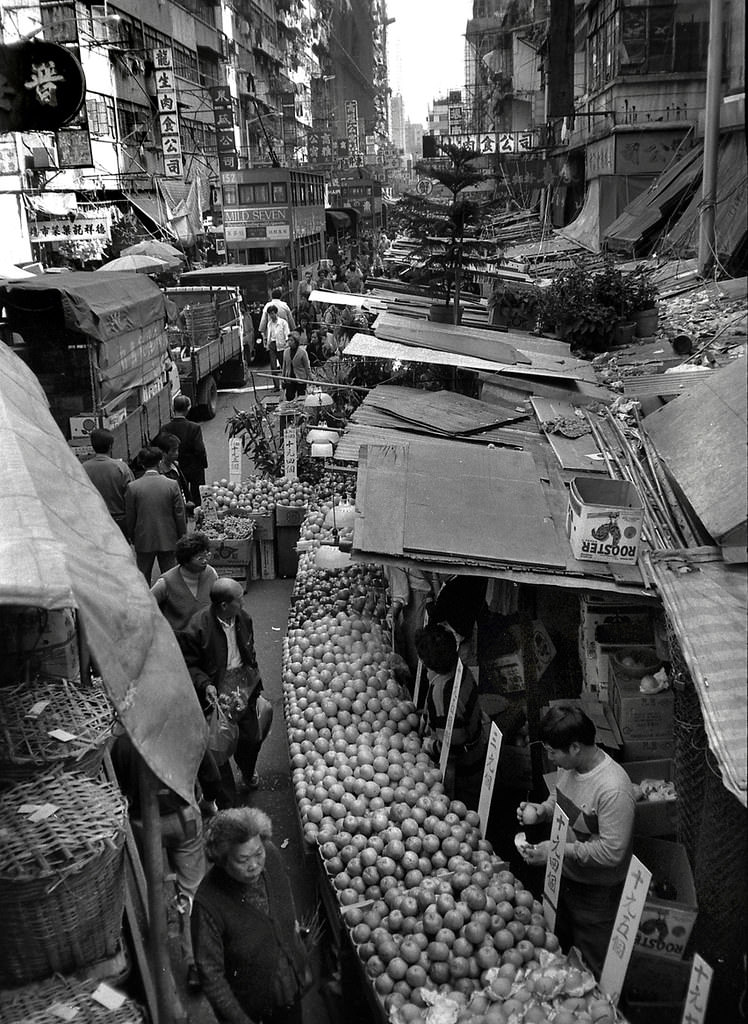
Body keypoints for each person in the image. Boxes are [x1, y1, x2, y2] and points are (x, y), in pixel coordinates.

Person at [517, 704, 635, 978]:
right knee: (565, 949)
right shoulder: (568, 767)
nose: (550, 757)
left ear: (574, 747)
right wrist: (541, 812)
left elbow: (612, 852)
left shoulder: (613, 789)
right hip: (565, 879)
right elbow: (559, 799)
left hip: (596, 893)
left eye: (552, 751)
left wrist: (556, 851)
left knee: (593, 963)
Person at [192, 807, 309, 1024]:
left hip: (288, 988)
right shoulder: (208, 904)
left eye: (258, 853)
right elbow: (211, 975)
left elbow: (284, 902)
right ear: (222, 860)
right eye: (243, 859)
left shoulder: (271, 855)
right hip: (252, 1010)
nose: (254, 865)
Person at [112, 730, 206, 994]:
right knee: (191, 890)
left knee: (151, 883)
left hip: (143, 824)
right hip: (182, 816)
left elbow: (118, 789)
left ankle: (159, 934)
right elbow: (207, 767)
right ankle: (194, 963)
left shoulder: (122, 743)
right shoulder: (178, 725)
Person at [179, 579, 272, 804]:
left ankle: (247, 770)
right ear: (223, 605)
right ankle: (228, 802)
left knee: (251, 738)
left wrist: (253, 678)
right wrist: (205, 684)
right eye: (238, 601)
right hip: (216, 691)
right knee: (218, 748)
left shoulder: (243, 618)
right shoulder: (197, 628)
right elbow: (189, 665)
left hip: (242, 686)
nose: (242, 604)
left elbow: (250, 650)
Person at [414, 623, 489, 810]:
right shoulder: (458, 668)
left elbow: (454, 744)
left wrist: (428, 745)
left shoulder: (442, 695)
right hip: (478, 747)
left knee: (462, 809)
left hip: (465, 768)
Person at [125, 446, 187, 582]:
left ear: (141, 463)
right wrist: (182, 535)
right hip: (168, 536)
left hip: (143, 537)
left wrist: (131, 536)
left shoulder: (133, 487)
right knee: (170, 575)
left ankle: (147, 600)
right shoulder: (171, 485)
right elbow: (179, 513)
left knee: (143, 575)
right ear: (160, 462)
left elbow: (130, 516)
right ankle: (169, 600)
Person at [151, 532, 218, 634]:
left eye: (207, 556)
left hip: (207, 637)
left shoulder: (211, 574)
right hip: (179, 640)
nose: (205, 561)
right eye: (200, 558)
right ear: (185, 561)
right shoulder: (165, 583)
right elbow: (148, 607)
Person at [82, 428, 134, 538]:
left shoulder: (82, 468)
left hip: (94, 519)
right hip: (119, 519)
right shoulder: (121, 467)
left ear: (92, 446)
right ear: (111, 446)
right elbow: (131, 495)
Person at [161, 396, 209, 508]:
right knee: (196, 495)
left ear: (173, 408)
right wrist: (203, 463)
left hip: (174, 466)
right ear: (188, 408)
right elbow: (199, 449)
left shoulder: (165, 428)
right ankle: (197, 517)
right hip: (194, 467)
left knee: (178, 495)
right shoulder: (194, 427)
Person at [155, 431, 191, 507]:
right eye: (174, 450)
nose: (177, 453)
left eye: (177, 449)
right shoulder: (161, 474)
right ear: (163, 453)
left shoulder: (175, 464)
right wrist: (184, 506)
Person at [263, 306, 291, 392]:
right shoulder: (269, 324)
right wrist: (267, 344)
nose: (271, 315)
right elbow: (269, 335)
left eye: (272, 313)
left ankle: (285, 383)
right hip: (272, 345)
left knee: (284, 365)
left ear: (276, 313)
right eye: (270, 314)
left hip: (281, 345)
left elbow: (287, 334)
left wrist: (287, 343)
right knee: (273, 366)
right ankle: (276, 386)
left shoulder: (283, 323)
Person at [281, 333, 311, 402]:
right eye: (288, 340)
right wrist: (283, 378)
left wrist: (310, 377)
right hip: (289, 377)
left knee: (301, 397)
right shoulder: (286, 352)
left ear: (296, 342)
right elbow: (284, 366)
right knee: (289, 397)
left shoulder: (302, 352)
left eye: (291, 340)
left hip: (301, 377)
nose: (289, 342)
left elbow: (307, 366)